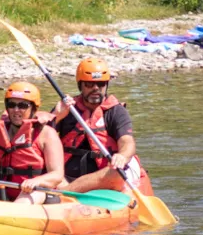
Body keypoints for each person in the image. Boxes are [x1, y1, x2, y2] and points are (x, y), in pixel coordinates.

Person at [48, 57, 153, 195]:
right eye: (89, 85)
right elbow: (40, 138)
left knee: (117, 174)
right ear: (80, 85)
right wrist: (57, 115)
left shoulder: (115, 111)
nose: (96, 88)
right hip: (66, 176)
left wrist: (123, 155)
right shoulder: (67, 108)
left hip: (102, 177)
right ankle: (68, 190)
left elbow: (127, 141)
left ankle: (64, 193)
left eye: (101, 84)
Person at [0, 81, 65, 202]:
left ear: (34, 108)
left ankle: (15, 216)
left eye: (23, 105)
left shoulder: (46, 134)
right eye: (11, 105)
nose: (16, 110)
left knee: (29, 196)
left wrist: (36, 181)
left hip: (35, 192)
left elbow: (57, 175)